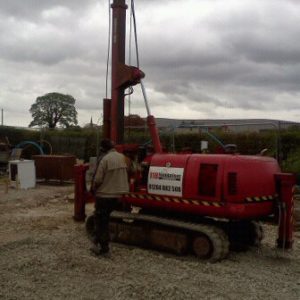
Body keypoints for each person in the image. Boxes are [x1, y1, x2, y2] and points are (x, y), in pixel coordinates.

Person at [90, 139, 129, 256]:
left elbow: (97, 179)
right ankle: (95, 243)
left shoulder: (105, 159)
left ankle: (104, 249)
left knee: (101, 221)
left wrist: (93, 188)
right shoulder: (122, 157)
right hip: (117, 195)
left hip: (104, 195)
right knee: (104, 219)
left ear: (103, 148)